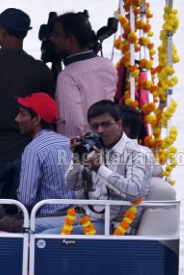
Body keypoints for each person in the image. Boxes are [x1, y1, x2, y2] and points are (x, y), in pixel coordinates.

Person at [0, 8, 55, 201]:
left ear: (2, 31)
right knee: (24, 212)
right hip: (30, 154)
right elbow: (49, 114)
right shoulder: (40, 70)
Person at [41, 100, 156, 235]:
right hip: (88, 218)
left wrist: (99, 169)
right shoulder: (94, 148)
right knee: (30, 226)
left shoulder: (137, 153)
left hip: (115, 226)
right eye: (95, 126)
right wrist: (77, 158)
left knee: (45, 237)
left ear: (119, 124)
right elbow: (72, 185)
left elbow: (134, 192)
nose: (100, 131)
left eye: (106, 124)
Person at [12, 93, 77, 232]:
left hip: (46, 219)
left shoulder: (33, 149)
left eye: (22, 114)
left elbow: (25, 199)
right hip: (75, 217)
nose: (17, 119)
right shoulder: (68, 142)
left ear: (36, 119)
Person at [49, 11, 118, 138]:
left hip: (84, 150)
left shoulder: (68, 76)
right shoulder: (107, 65)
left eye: (56, 34)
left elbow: (73, 124)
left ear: (71, 41)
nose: (52, 38)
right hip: (109, 141)